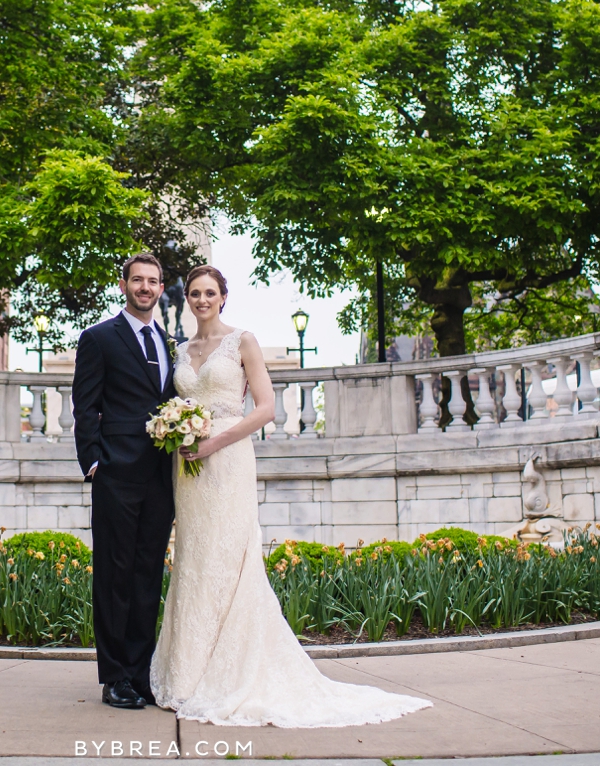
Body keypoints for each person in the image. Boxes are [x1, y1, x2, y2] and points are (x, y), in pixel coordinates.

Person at [150, 264, 432, 727]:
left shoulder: (242, 342)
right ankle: (186, 674)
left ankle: (232, 673)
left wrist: (214, 441)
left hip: (227, 457)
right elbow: (174, 403)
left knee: (229, 556)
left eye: (210, 293)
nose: (201, 300)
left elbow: (265, 409)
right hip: (187, 464)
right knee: (195, 559)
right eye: (195, 293)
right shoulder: (180, 349)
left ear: (224, 297)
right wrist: (177, 432)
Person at [72, 252, 175, 710]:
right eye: (138, 280)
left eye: (152, 281)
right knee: (114, 576)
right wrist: (93, 461)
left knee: (147, 575)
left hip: (161, 476)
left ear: (161, 288)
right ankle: (114, 678)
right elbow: (84, 404)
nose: (145, 288)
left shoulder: (168, 340)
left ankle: (140, 673)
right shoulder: (98, 338)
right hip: (115, 472)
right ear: (124, 285)